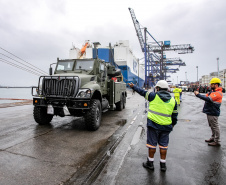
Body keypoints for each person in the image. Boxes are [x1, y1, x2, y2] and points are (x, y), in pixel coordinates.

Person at [128, 80, 178, 171]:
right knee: (164, 146)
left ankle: (150, 163)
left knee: (152, 145)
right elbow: (175, 115)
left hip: (153, 125)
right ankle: (163, 165)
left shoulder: (153, 96)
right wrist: (173, 124)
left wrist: (133, 87)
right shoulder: (173, 100)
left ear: (158, 88)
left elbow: (142, 92)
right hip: (166, 126)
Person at [194, 78, 223, 146]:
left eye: (211, 84)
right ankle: (213, 138)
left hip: (213, 112)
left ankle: (217, 141)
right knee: (212, 126)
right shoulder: (212, 92)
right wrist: (198, 94)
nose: (210, 85)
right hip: (210, 111)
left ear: (216, 85)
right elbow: (205, 96)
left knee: (215, 126)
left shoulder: (217, 93)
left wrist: (198, 94)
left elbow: (208, 99)